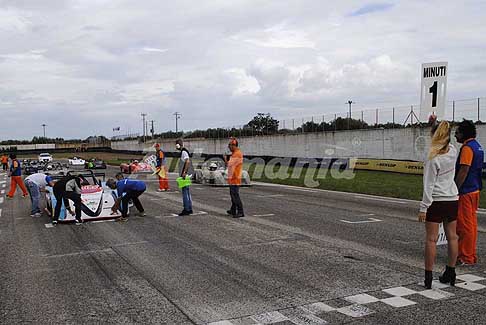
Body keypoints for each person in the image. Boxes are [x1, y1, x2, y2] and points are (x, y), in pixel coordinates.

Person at [418, 120, 459, 289]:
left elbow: (428, 184)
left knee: (431, 240)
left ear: (434, 136)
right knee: (453, 237)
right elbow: (443, 133)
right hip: (452, 198)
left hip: (436, 200)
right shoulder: (454, 151)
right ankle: (451, 271)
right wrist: (435, 123)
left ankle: (428, 277)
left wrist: (423, 207)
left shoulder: (432, 157)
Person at [454, 119, 484, 266]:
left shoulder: (467, 148)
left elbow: (464, 169)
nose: (455, 136)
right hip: (475, 189)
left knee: (464, 226)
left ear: (464, 133)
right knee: (471, 225)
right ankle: (469, 254)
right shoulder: (478, 146)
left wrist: (455, 188)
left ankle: (466, 257)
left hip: (466, 191)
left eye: (457, 133)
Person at [226, 138, 245, 218]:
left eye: (229, 145)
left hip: (235, 177)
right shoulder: (235, 153)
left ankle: (240, 211)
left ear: (234, 145)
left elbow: (230, 164)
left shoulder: (237, 154)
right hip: (233, 177)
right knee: (232, 194)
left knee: (235, 195)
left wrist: (225, 159)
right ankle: (233, 209)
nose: (229, 147)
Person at [176, 139, 194, 216]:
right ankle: (189, 208)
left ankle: (186, 209)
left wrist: (184, 172)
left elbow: (187, 161)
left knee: (185, 192)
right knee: (187, 192)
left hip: (185, 175)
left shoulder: (183, 152)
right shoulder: (184, 151)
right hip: (187, 174)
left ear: (178, 145)